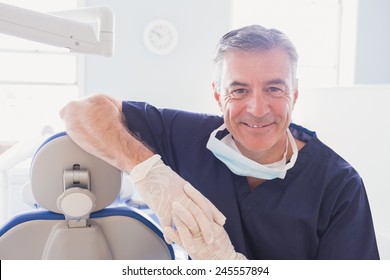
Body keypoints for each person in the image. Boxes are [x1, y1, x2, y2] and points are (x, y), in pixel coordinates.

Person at [60, 25, 379, 260]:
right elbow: (80, 112)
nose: (257, 109)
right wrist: (148, 170)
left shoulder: (338, 186)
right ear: (216, 94)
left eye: (274, 89)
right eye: (239, 90)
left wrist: (228, 267)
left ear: (294, 94)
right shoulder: (186, 136)